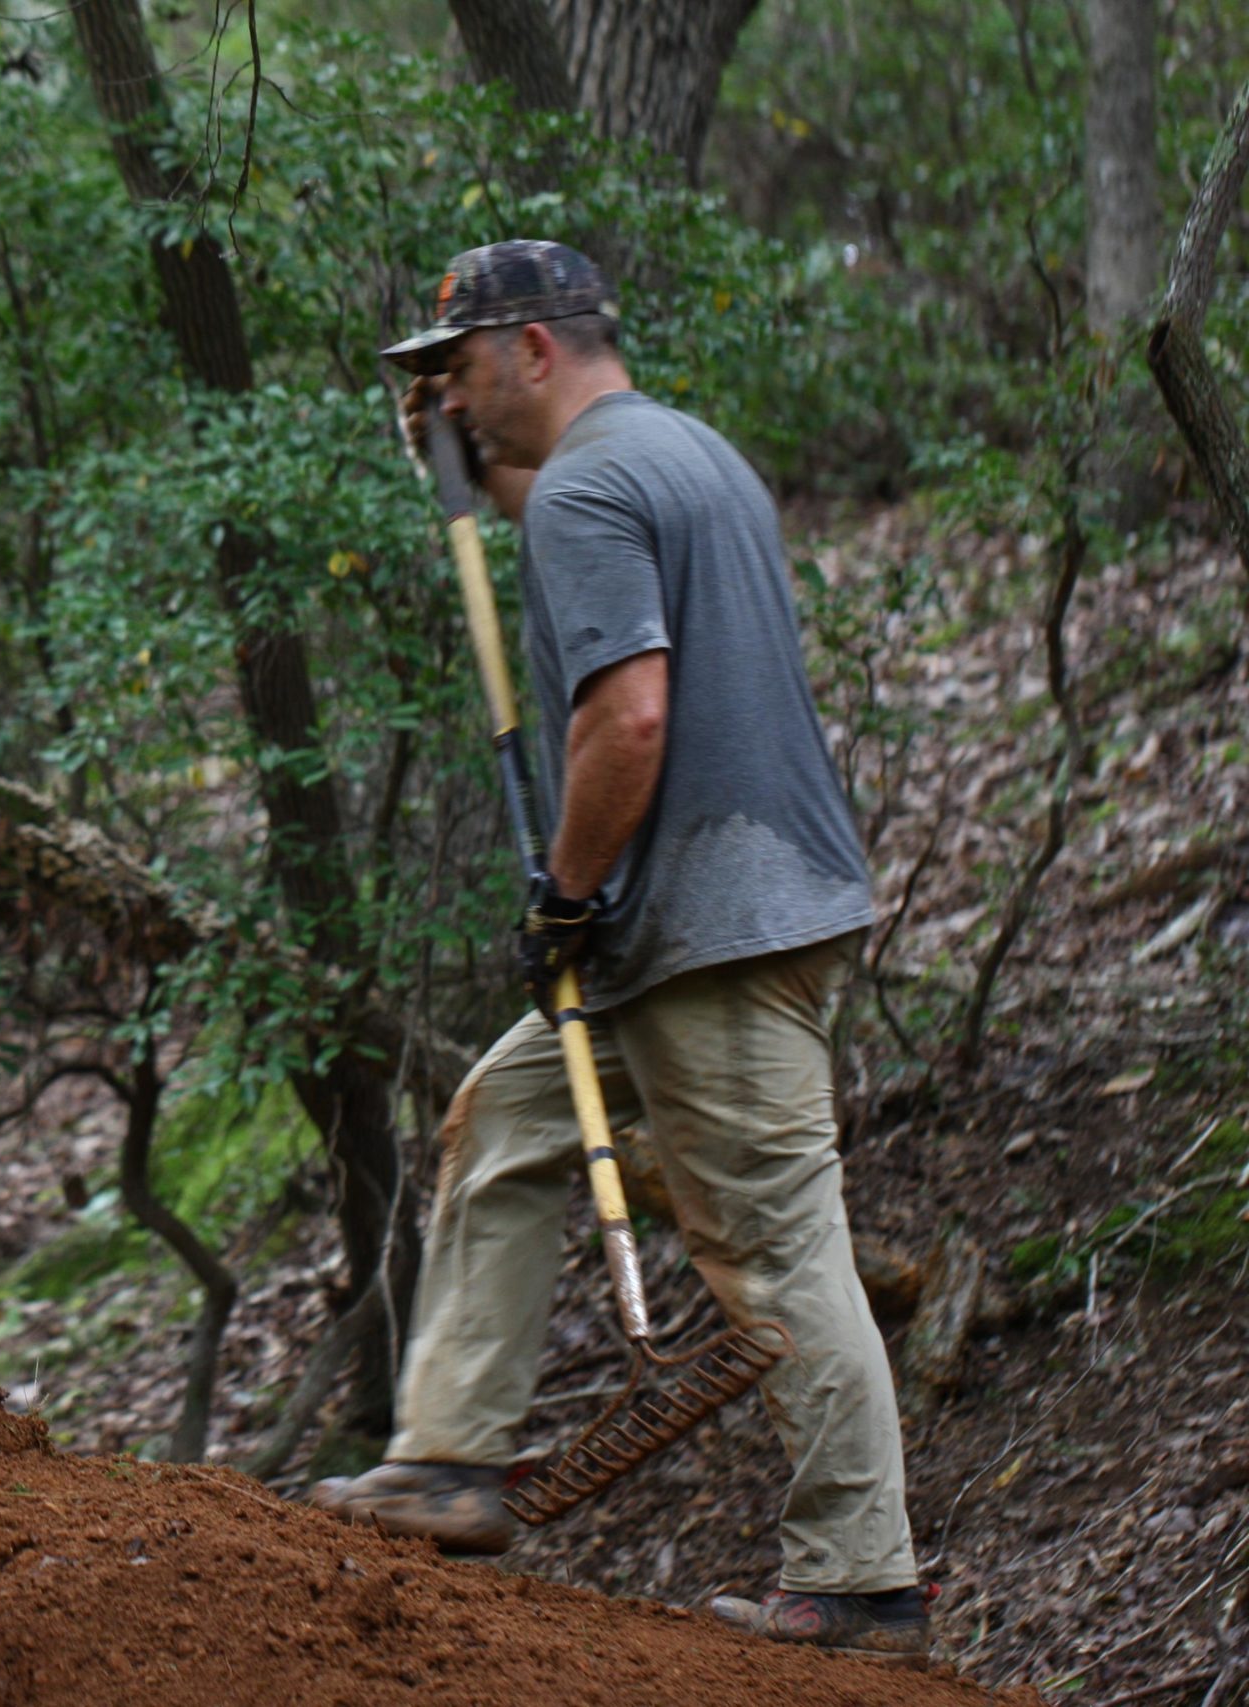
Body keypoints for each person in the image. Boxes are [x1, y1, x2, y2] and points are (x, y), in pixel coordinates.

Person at [311, 242, 927, 1661]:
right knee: (509, 1120)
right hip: (746, 901)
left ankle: (863, 1581)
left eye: (461, 370)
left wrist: (568, 892)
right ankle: (453, 1455)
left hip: (697, 922)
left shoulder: (593, 486)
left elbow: (629, 717)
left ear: (530, 349)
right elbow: (553, 509)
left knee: (772, 1248)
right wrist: (454, 471)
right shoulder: (683, 453)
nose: (453, 398)